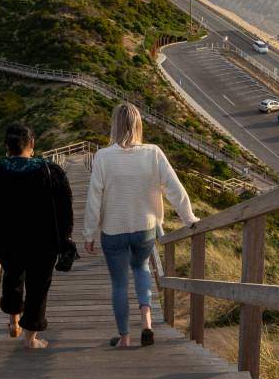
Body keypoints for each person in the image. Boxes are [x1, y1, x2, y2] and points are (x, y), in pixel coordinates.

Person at [83, 103, 196, 348]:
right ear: (138, 126)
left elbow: (94, 197)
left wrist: (89, 233)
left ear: (115, 126)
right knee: (142, 268)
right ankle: (147, 320)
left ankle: (124, 337)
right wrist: (189, 219)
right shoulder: (153, 152)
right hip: (145, 228)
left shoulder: (103, 156)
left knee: (120, 283)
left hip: (113, 230)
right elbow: (174, 188)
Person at [0, 121, 73, 350]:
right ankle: (30, 338)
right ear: (32, 145)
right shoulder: (50, 171)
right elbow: (65, 208)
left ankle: (13, 319)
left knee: (12, 276)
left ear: (7, 146)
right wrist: (64, 238)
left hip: (8, 239)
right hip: (42, 241)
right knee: (38, 285)